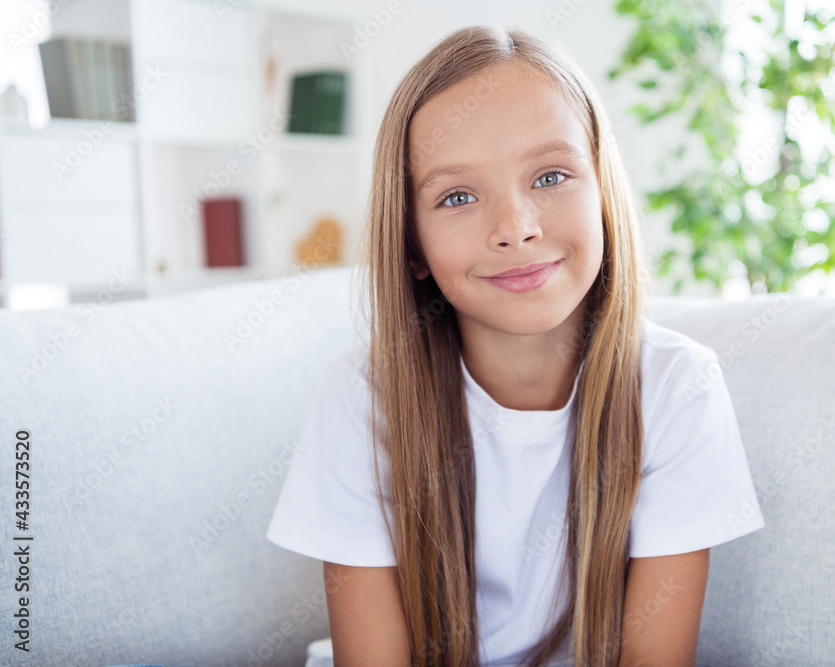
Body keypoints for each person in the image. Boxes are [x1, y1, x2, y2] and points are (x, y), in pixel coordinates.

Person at [266, 23, 765, 667]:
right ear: (413, 246)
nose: (515, 229)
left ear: (605, 197)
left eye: (551, 176)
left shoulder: (678, 385)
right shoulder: (363, 397)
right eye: (459, 195)